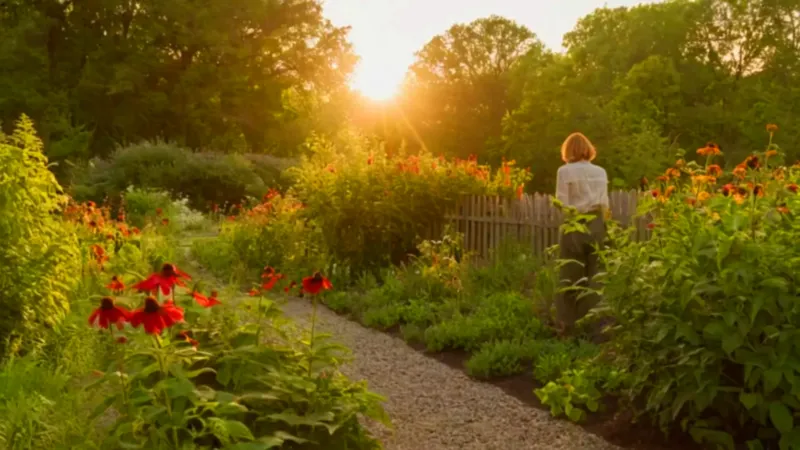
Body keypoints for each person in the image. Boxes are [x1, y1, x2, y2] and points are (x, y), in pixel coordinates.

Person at [554, 132, 609, 334]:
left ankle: (568, 325)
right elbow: (604, 203)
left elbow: (562, 202)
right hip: (597, 222)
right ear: (588, 149)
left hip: (574, 222)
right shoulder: (601, 172)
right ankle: (593, 323)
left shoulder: (564, 172)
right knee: (596, 273)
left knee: (569, 273)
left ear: (568, 150)